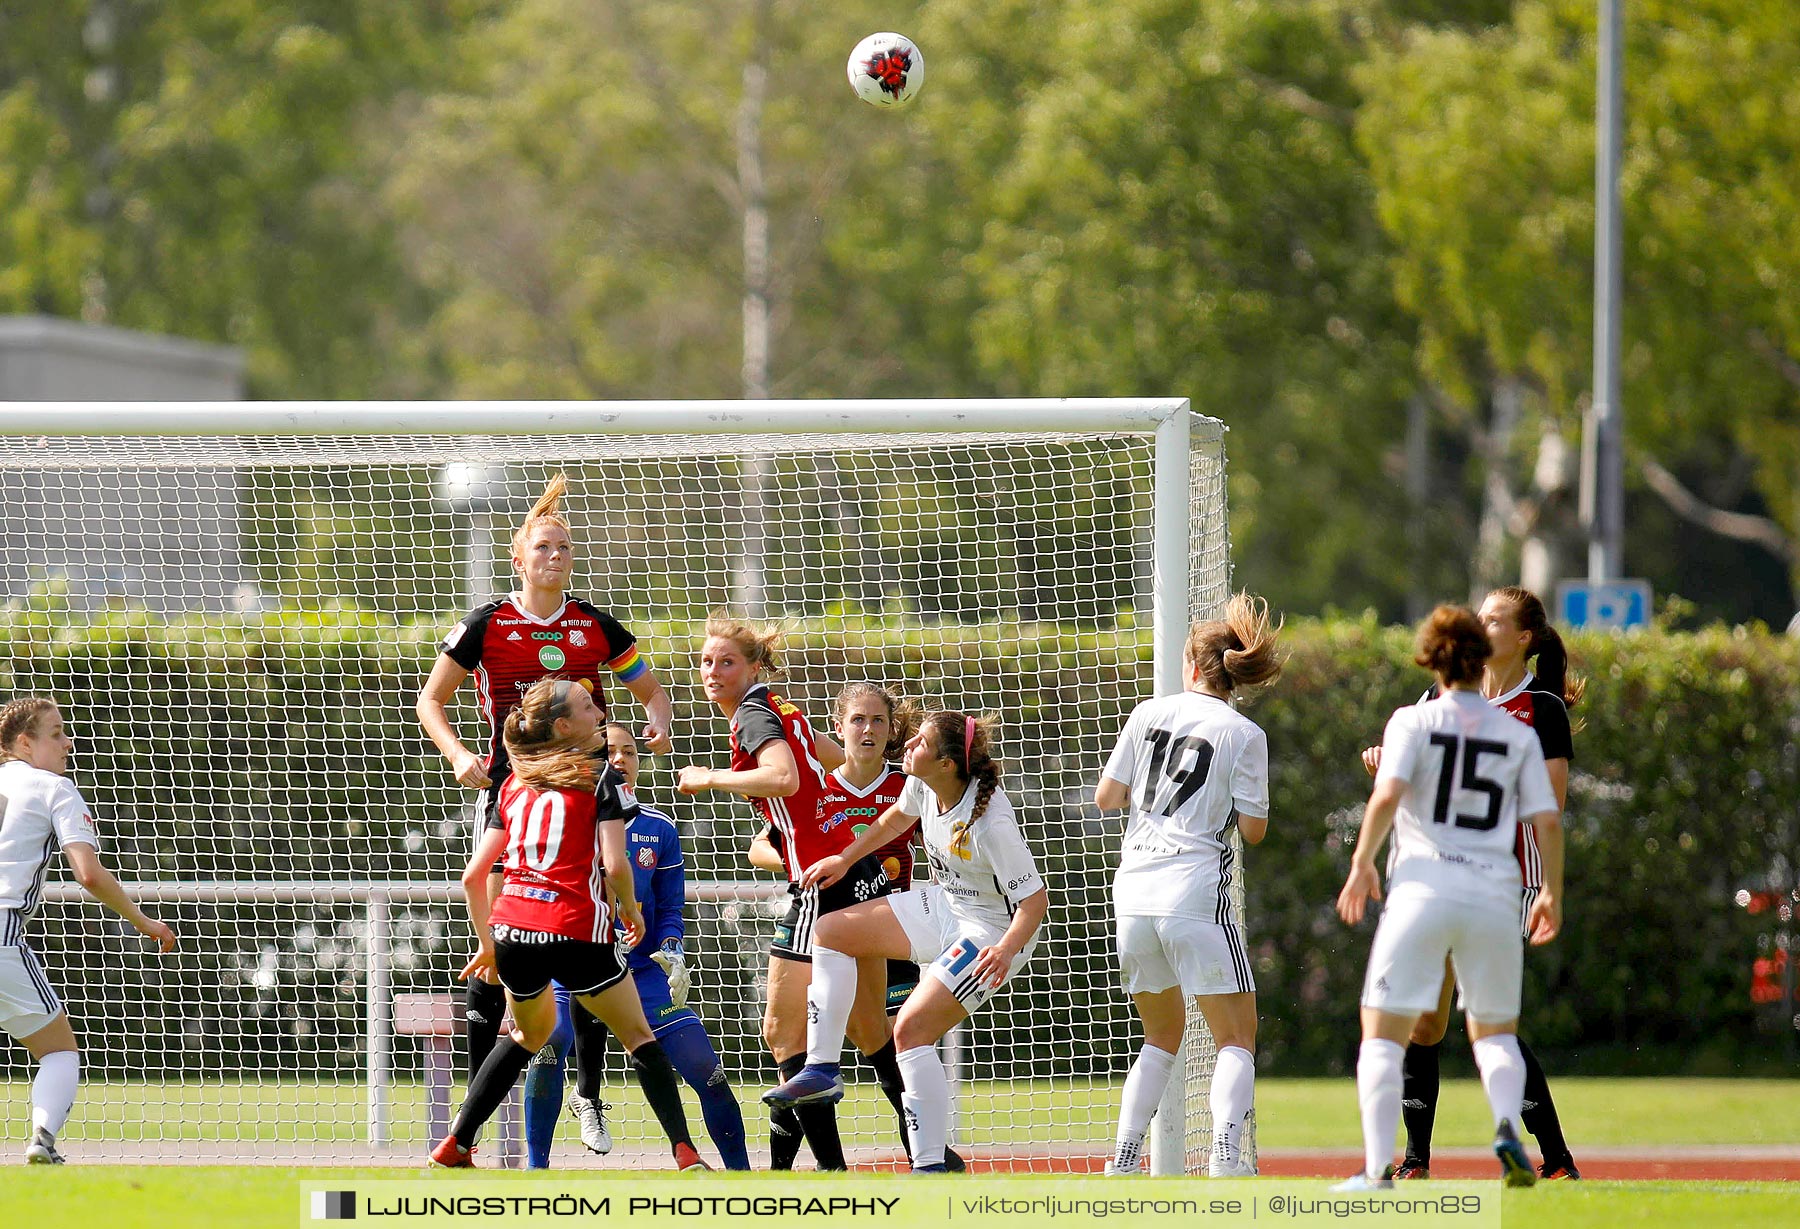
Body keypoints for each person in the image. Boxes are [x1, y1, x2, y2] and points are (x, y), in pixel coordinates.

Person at [415, 472, 675, 1147]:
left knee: (591, 938)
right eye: (544, 547)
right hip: (513, 799)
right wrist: (456, 755)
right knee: (497, 947)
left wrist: (658, 719)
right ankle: (479, 1127)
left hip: (589, 800)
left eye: (564, 547)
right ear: (518, 558)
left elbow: (651, 689)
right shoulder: (487, 624)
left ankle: (587, 1093)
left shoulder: (593, 624)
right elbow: (430, 701)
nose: (556, 556)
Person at [1332, 606, 1564, 1191]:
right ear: (1481, 657)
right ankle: (1507, 1128)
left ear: (1429, 658)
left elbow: (1386, 799)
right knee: (1494, 1035)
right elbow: (1549, 822)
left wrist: (1362, 864)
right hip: (1493, 892)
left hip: (1423, 889)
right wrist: (1552, 892)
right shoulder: (1515, 733)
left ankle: (1375, 1167)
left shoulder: (1412, 720)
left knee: (1383, 1033)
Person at [430, 678, 705, 1170]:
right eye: (586, 706)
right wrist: (631, 910)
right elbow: (616, 867)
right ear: (562, 726)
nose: (600, 711)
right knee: (639, 1036)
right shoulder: (601, 779)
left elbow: (475, 877)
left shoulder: (511, 783)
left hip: (513, 931)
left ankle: (455, 1143)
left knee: (528, 1037)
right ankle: (685, 1152)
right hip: (576, 928)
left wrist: (488, 943)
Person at [766, 711, 1050, 1174]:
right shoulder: (920, 784)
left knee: (910, 1031)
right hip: (944, 906)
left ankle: (929, 1166)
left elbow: (1034, 902)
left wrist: (1003, 950)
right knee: (830, 932)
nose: (909, 744)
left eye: (921, 742)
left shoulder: (991, 821)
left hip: (992, 933)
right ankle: (821, 1069)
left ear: (947, 765)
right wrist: (844, 857)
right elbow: (893, 821)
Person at [677, 616, 891, 1171]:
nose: (713, 672)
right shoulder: (780, 706)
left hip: (818, 884)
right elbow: (831, 760)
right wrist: (813, 825)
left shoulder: (752, 715)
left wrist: (709, 779)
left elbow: (784, 779)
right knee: (870, 1029)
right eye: (706, 661)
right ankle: (930, 1151)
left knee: (782, 1030)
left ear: (752, 667)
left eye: (727, 661)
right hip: (845, 871)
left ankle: (832, 1167)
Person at [1094, 593, 1283, 1177]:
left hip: (1133, 894)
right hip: (1193, 892)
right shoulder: (1243, 732)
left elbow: (1107, 797)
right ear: (1226, 672)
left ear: (1192, 667)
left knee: (1160, 1038)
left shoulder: (1147, 713)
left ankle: (1123, 1160)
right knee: (1236, 1038)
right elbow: (1253, 830)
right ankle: (1227, 1159)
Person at [747, 684, 964, 1170]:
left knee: (882, 1034)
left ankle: (925, 1151)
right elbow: (760, 846)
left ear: (891, 731)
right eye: (858, 720)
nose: (868, 730)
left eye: (878, 722)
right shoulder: (818, 784)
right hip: (815, 911)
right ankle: (817, 1168)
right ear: (839, 727)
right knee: (785, 1032)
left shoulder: (910, 783)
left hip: (889, 922)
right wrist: (800, 862)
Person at [521, 723, 751, 1170]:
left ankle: (742, 1176)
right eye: (610, 751)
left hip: (642, 974)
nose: (621, 759)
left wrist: (673, 948)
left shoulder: (659, 828)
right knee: (551, 1043)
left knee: (708, 1070)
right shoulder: (565, 819)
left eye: (630, 751)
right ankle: (537, 1169)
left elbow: (669, 906)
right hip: (572, 966)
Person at [0, 697, 177, 1165]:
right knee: (58, 1051)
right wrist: (143, 920)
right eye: (56, 733)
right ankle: (42, 1140)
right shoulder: (54, 788)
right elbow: (89, 874)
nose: (68, 743)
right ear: (24, 742)